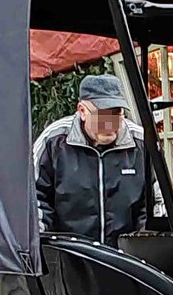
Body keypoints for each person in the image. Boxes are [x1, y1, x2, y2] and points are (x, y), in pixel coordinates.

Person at [34, 74, 146, 247]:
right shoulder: (53, 141)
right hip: (68, 255)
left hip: (128, 257)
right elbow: (33, 200)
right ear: (82, 111)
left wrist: (144, 247)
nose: (109, 124)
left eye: (116, 114)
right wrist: (43, 248)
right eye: (102, 115)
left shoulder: (141, 143)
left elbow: (157, 204)